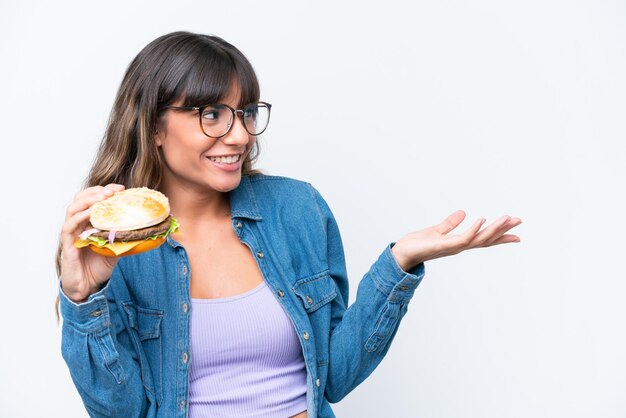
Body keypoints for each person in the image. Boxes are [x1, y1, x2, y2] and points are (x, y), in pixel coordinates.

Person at [57, 31, 522, 418]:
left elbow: (333, 377)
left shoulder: (296, 208)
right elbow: (121, 411)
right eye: (212, 114)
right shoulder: (116, 244)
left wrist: (400, 262)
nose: (239, 135)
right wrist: (82, 301)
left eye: (245, 112)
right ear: (154, 126)